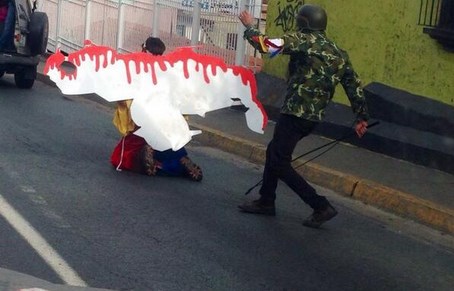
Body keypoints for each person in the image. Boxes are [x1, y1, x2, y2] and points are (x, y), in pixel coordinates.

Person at [237, 4, 369, 228]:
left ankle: (319, 205)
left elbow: (267, 46)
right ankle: (266, 200)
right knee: (275, 152)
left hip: (295, 112)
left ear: (304, 23)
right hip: (314, 117)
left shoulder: (303, 41)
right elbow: (353, 85)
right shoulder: (337, 52)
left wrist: (250, 27)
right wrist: (361, 117)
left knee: (279, 161)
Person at [110, 36, 203, 182]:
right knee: (172, 152)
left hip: (141, 126)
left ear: (143, 49)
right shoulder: (168, 72)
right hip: (165, 127)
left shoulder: (136, 70)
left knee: (120, 158)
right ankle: (179, 161)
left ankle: (145, 156)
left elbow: (124, 99)